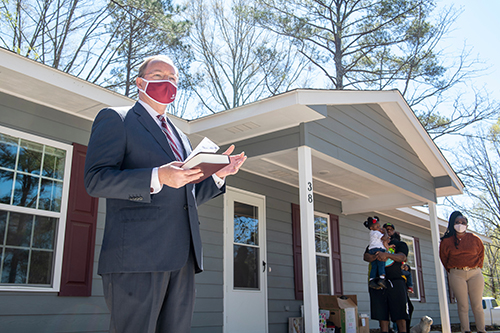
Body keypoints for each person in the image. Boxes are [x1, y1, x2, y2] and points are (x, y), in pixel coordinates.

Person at [84, 55, 247, 333]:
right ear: (140, 82)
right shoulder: (116, 119)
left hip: (182, 259)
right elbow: (96, 180)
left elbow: (186, 196)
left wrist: (219, 174)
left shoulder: (181, 137)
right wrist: (157, 176)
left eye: (173, 78)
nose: (167, 82)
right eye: (159, 75)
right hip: (137, 259)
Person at [439, 211, 485, 333]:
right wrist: (453, 271)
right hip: (457, 274)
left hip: (475, 273)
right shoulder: (446, 241)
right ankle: (466, 330)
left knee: (477, 305)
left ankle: (481, 330)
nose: (460, 225)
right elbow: (444, 258)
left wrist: (477, 267)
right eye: (457, 222)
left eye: (463, 223)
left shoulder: (475, 239)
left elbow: (481, 255)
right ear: (453, 224)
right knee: (463, 305)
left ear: (467, 225)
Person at [364, 222, 409, 333]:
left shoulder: (400, 244)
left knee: (400, 314)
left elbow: (402, 256)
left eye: (390, 229)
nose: (388, 231)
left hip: (396, 281)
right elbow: (365, 256)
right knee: (382, 315)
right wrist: (375, 256)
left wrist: (387, 255)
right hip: (378, 282)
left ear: (394, 231)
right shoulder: (374, 243)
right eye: (385, 229)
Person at [363, 216, 390, 289]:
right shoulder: (376, 233)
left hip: (372, 250)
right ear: (371, 228)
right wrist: (385, 232)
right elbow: (384, 238)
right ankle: (382, 279)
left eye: (379, 226)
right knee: (381, 263)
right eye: (377, 226)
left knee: (374, 266)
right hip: (378, 249)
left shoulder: (372, 233)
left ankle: (372, 280)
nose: (379, 228)